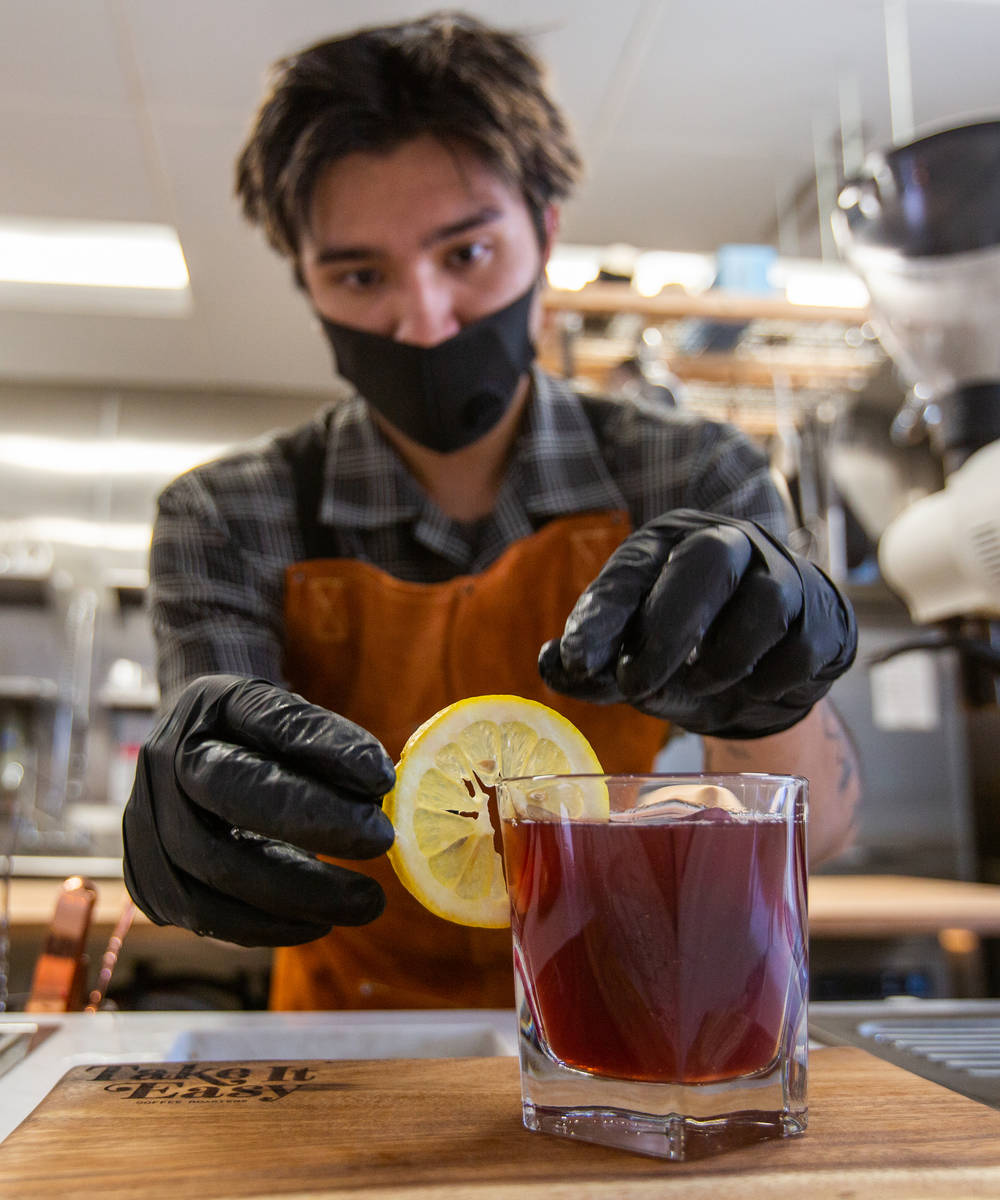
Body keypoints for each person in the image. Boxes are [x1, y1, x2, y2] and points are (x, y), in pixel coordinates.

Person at [123, 12, 860, 1011]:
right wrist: (199, 812)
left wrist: (772, 685)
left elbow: (808, 830)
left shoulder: (686, 470)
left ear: (545, 232)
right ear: (305, 280)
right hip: (342, 1051)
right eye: (358, 274)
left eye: (464, 253)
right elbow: (225, 785)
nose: (422, 320)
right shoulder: (227, 514)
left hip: (617, 1027)